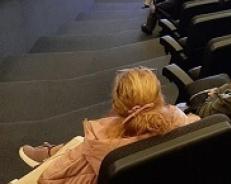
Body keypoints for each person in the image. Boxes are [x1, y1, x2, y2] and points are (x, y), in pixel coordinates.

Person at [18, 67, 198, 182]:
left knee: (77, 145)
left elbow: (48, 178)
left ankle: (51, 153)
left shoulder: (98, 144)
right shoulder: (185, 124)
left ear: (116, 105)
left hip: (79, 161)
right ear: (159, 98)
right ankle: (53, 151)